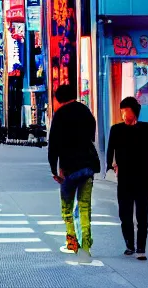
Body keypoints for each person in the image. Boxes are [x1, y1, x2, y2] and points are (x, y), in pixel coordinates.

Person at [107, 96, 148, 261]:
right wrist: (112, 166)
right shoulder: (116, 130)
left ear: (135, 112)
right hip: (124, 178)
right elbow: (110, 152)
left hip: (143, 178)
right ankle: (129, 245)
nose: (123, 114)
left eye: (126, 111)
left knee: (142, 214)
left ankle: (141, 248)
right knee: (124, 214)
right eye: (122, 111)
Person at [48, 85, 100, 260]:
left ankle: (72, 244)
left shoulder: (60, 115)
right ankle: (86, 246)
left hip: (69, 168)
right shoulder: (85, 111)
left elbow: (53, 144)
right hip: (88, 167)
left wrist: (54, 169)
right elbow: (92, 135)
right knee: (84, 207)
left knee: (67, 209)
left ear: (59, 98)